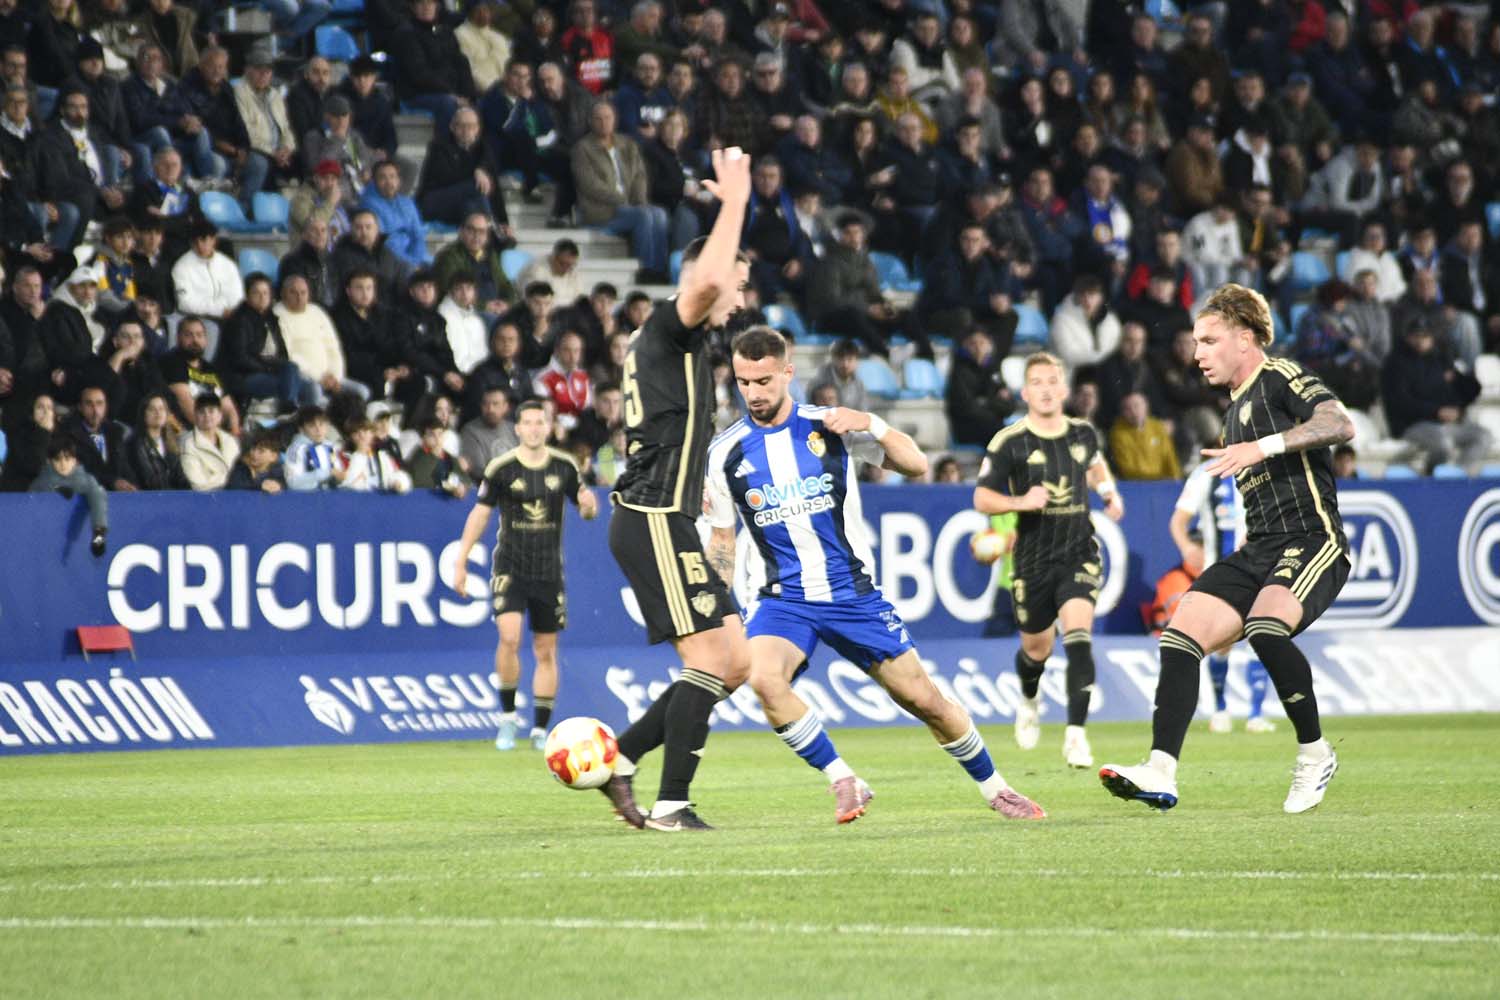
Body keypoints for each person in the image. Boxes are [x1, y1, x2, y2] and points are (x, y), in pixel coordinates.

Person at [708, 326, 1046, 824]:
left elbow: (915, 464)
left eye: (764, 380)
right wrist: (719, 609)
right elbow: (722, 540)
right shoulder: (725, 452)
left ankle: (996, 788)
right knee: (764, 679)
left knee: (924, 699)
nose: (754, 393)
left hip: (852, 594)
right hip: (782, 599)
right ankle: (844, 779)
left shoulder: (831, 425)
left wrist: (873, 423)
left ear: (787, 372)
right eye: (744, 382)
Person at [1100, 283, 1354, 814]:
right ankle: (1161, 772)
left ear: (1244, 339)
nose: (1197, 354)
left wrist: (1260, 447)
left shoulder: (1279, 376)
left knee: (1264, 628)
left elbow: (1339, 422)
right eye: (1195, 343)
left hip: (1311, 539)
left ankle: (1314, 753)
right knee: (1180, 635)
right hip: (1258, 547)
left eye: (1208, 341)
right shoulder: (1232, 409)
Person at [602, 149, 755, 832]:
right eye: (738, 285)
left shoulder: (675, 340)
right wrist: (736, 200)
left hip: (671, 517)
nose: (741, 299)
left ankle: (622, 758)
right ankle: (671, 805)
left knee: (737, 659)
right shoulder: (672, 322)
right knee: (713, 658)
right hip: (652, 513)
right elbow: (709, 275)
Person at [973, 351, 1125, 770]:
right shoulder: (1009, 442)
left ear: (1063, 389)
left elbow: (1096, 468)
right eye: (1036, 382)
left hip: (1078, 552)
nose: (1044, 389)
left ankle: (1076, 735)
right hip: (1032, 560)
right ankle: (1029, 698)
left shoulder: (1083, 434)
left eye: (1051, 380)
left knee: (1078, 637)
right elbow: (982, 496)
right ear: (1025, 392)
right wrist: (1022, 501)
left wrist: (1109, 492)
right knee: (1036, 650)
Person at [452, 400, 598, 750]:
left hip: (548, 570)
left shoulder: (564, 466)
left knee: (545, 649)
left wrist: (590, 506)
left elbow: (586, 508)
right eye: (527, 423)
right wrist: (461, 560)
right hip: (511, 566)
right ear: (517, 428)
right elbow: (480, 514)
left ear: (547, 427)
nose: (533, 428)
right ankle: (506, 719)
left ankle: (540, 729)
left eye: (539, 422)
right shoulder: (501, 467)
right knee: (509, 637)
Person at [1170, 462, 1274, 735]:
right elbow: (1178, 520)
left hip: (1260, 569)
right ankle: (1220, 708)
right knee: (1222, 644)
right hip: (1220, 573)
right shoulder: (1208, 473)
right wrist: (1186, 547)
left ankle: (1256, 714)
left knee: (1261, 636)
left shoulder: (1263, 467)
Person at [1381, 318, 1490, 476]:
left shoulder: (1439, 360)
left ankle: (1457, 476)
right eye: (1416, 336)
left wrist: (1458, 379)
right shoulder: (1396, 364)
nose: (1420, 341)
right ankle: (1432, 478)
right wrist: (1437, 411)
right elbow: (1401, 403)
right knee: (1442, 444)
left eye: (1425, 336)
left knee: (1483, 437)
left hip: (1446, 424)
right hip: (1414, 425)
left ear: (1432, 338)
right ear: (1408, 337)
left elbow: (1473, 390)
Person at [30, 436, 109, 556]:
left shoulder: (85, 480)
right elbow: (30, 500)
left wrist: (99, 530)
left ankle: (98, 534)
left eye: (67, 458)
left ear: (75, 460)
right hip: (43, 537)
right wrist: (55, 490)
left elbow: (97, 496)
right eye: (58, 459)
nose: (63, 464)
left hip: (73, 542)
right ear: (50, 461)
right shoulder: (42, 481)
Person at [63, 384, 134, 491]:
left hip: (119, 498)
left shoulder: (115, 432)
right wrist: (112, 482)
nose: (95, 410)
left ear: (106, 406)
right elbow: (79, 471)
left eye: (99, 403)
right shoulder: (69, 434)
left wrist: (133, 485)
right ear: (80, 407)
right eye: (89, 404)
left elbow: (125, 467)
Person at [1109, 390, 1181, 481]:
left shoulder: (1157, 427)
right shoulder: (1118, 433)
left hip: (1163, 482)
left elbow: (1170, 457)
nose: (1133, 411)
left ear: (1146, 406)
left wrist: (1176, 479)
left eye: (1136, 406)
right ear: (1123, 412)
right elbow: (1127, 467)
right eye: (1128, 408)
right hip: (1136, 484)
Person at [124, 392, 189, 490]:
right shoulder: (135, 444)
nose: (158, 413)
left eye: (161, 409)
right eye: (152, 409)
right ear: (144, 414)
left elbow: (180, 477)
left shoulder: (172, 443)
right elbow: (148, 478)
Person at [178, 391, 239, 491]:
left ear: (220, 415)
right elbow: (198, 484)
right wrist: (229, 479)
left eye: (211, 411)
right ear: (195, 416)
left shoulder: (231, 441)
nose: (207, 416)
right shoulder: (188, 443)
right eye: (202, 412)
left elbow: (239, 473)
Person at [458, 384, 519, 475]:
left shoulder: (514, 429)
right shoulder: (470, 431)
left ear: (505, 407)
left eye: (495, 404)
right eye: (485, 404)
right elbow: (479, 470)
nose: (490, 409)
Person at [284, 404, 343, 490]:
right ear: (302, 429)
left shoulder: (331, 447)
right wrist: (324, 473)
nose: (318, 430)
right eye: (312, 426)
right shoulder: (295, 449)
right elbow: (292, 482)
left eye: (321, 424)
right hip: (305, 500)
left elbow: (336, 470)